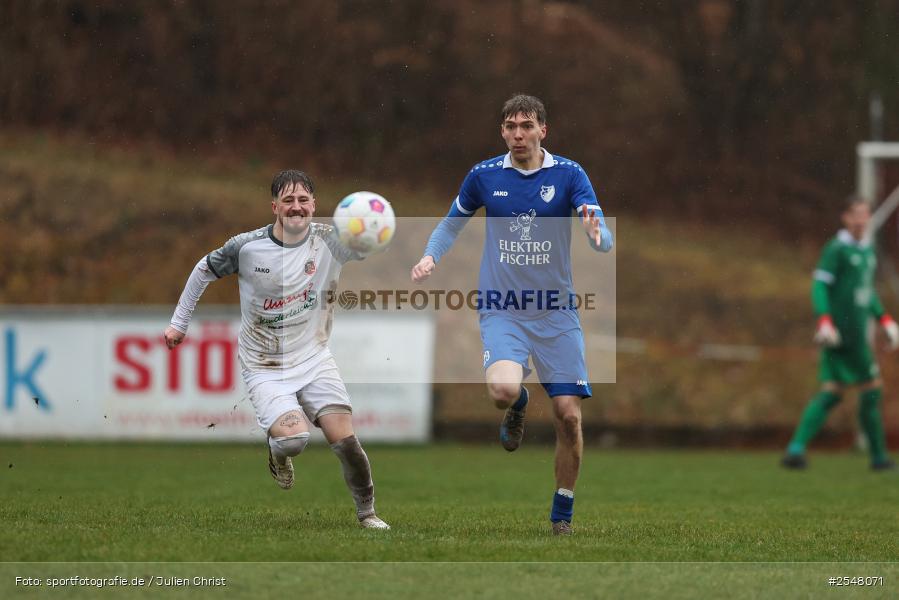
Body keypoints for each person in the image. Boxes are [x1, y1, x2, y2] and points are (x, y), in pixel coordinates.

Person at [411, 94, 614, 535]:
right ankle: (520, 403)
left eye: (526, 125)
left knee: (568, 415)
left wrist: (598, 236)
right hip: (503, 309)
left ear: (544, 129)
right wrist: (431, 257)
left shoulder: (569, 174)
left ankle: (562, 512)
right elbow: (450, 224)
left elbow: (600, 231)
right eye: (509, 126)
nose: (517, 134)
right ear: (502, 131)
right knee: (503, 391)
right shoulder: (484, 176)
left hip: (556, 314)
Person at [164, 170, 390, 529]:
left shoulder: (331, 241)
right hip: (264, 365)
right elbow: (202, 270)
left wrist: (376, 228)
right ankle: (277, 451)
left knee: (346, 441)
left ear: (314, 205)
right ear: (275, 207)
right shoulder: (247, 247)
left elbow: (368, 242)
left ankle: (367, 513)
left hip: (314, 357)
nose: (296, 207)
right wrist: (179, 323)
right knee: (295, 439)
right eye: (288, 200)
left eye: (303, 200)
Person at [782, 197, 899, 471]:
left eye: (865, 215)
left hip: (857, 334)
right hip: (841, 334)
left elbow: (865, 293)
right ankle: (879, 457)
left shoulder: (866, 251)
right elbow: (820, 286)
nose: (861, 220)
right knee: (871, 390)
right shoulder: (837, 249)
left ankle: (795, 450)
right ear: (845, 218)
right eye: (855, 215)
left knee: (833, 392)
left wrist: (884, 319)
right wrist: (824, 320)